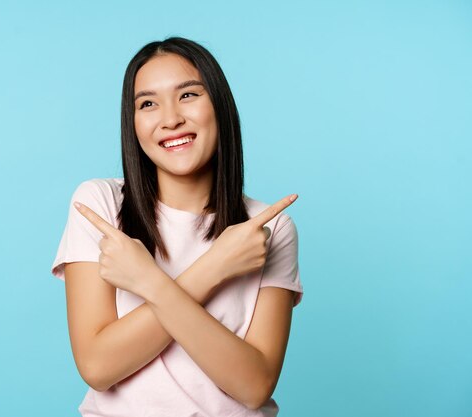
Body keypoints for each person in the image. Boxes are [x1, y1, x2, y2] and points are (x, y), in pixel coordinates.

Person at [50, 37, 304, 417]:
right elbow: (98, 366)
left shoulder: (268, 229)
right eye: (148, 103)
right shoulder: (100, 205)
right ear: (132, 123)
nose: (170, 118)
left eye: (188, 95)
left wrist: (148, 281)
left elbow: (254, 386)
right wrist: (215, 268)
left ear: (219, 106)